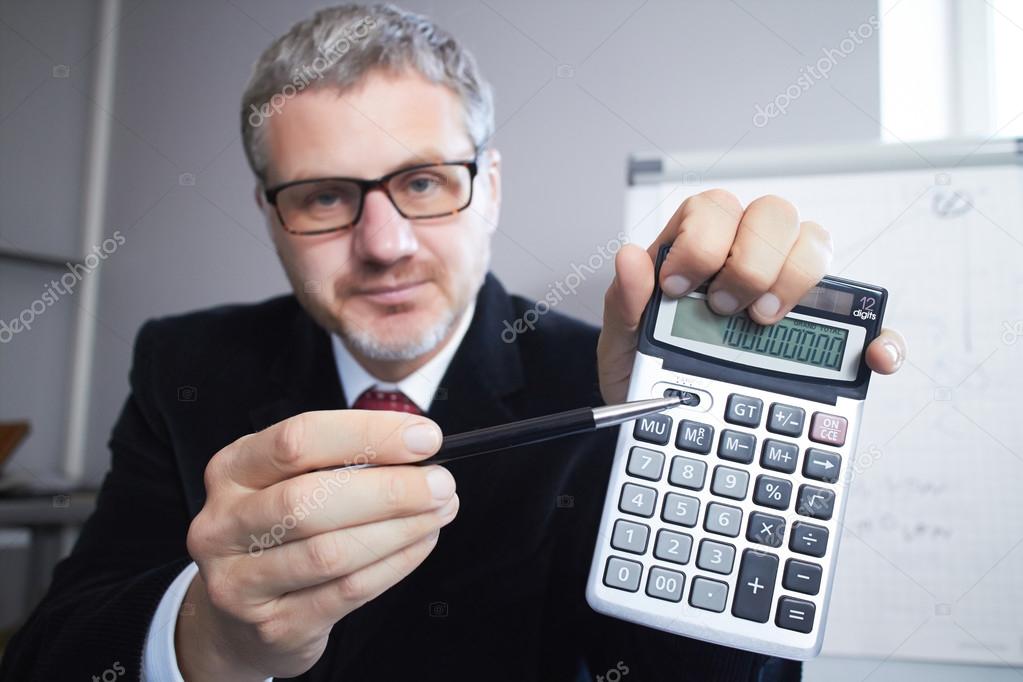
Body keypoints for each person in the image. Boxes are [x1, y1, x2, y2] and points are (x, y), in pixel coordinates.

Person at [0, 4, 905, 681]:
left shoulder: (618, 386)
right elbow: (51, 654)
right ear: (270, 219)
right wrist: (204, 635)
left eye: (425, 182)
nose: (385, 243)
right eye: (322, 196)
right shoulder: (185, 366)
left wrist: (708, 465)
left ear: (492, 188)